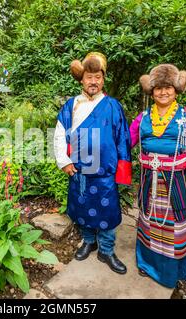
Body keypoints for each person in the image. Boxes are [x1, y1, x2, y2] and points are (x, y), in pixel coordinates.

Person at [130, 64, 186, 288]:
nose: (163, 92)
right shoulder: (143, 117)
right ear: (151, 91)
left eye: (168, 87)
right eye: (158, 88)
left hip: (177, 181)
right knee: (149, 221)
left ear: (176, 89)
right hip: (150, 180)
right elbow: (126, 141)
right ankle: (147, 264)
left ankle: (171, 272)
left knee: (175, 224)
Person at [53, 52, 132, 274]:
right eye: (89, 77)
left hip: (105, 171)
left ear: (103, 79)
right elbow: (60, 134)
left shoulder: (113, 105)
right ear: (82, 79)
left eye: (98, 77)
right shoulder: (71, 105)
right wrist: (64, 162)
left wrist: (123, 169)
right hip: (79, 170)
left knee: (107, 213)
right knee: (82, 208)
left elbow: (122, 138)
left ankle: (106, 250)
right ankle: (89, 241)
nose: (93, 81)